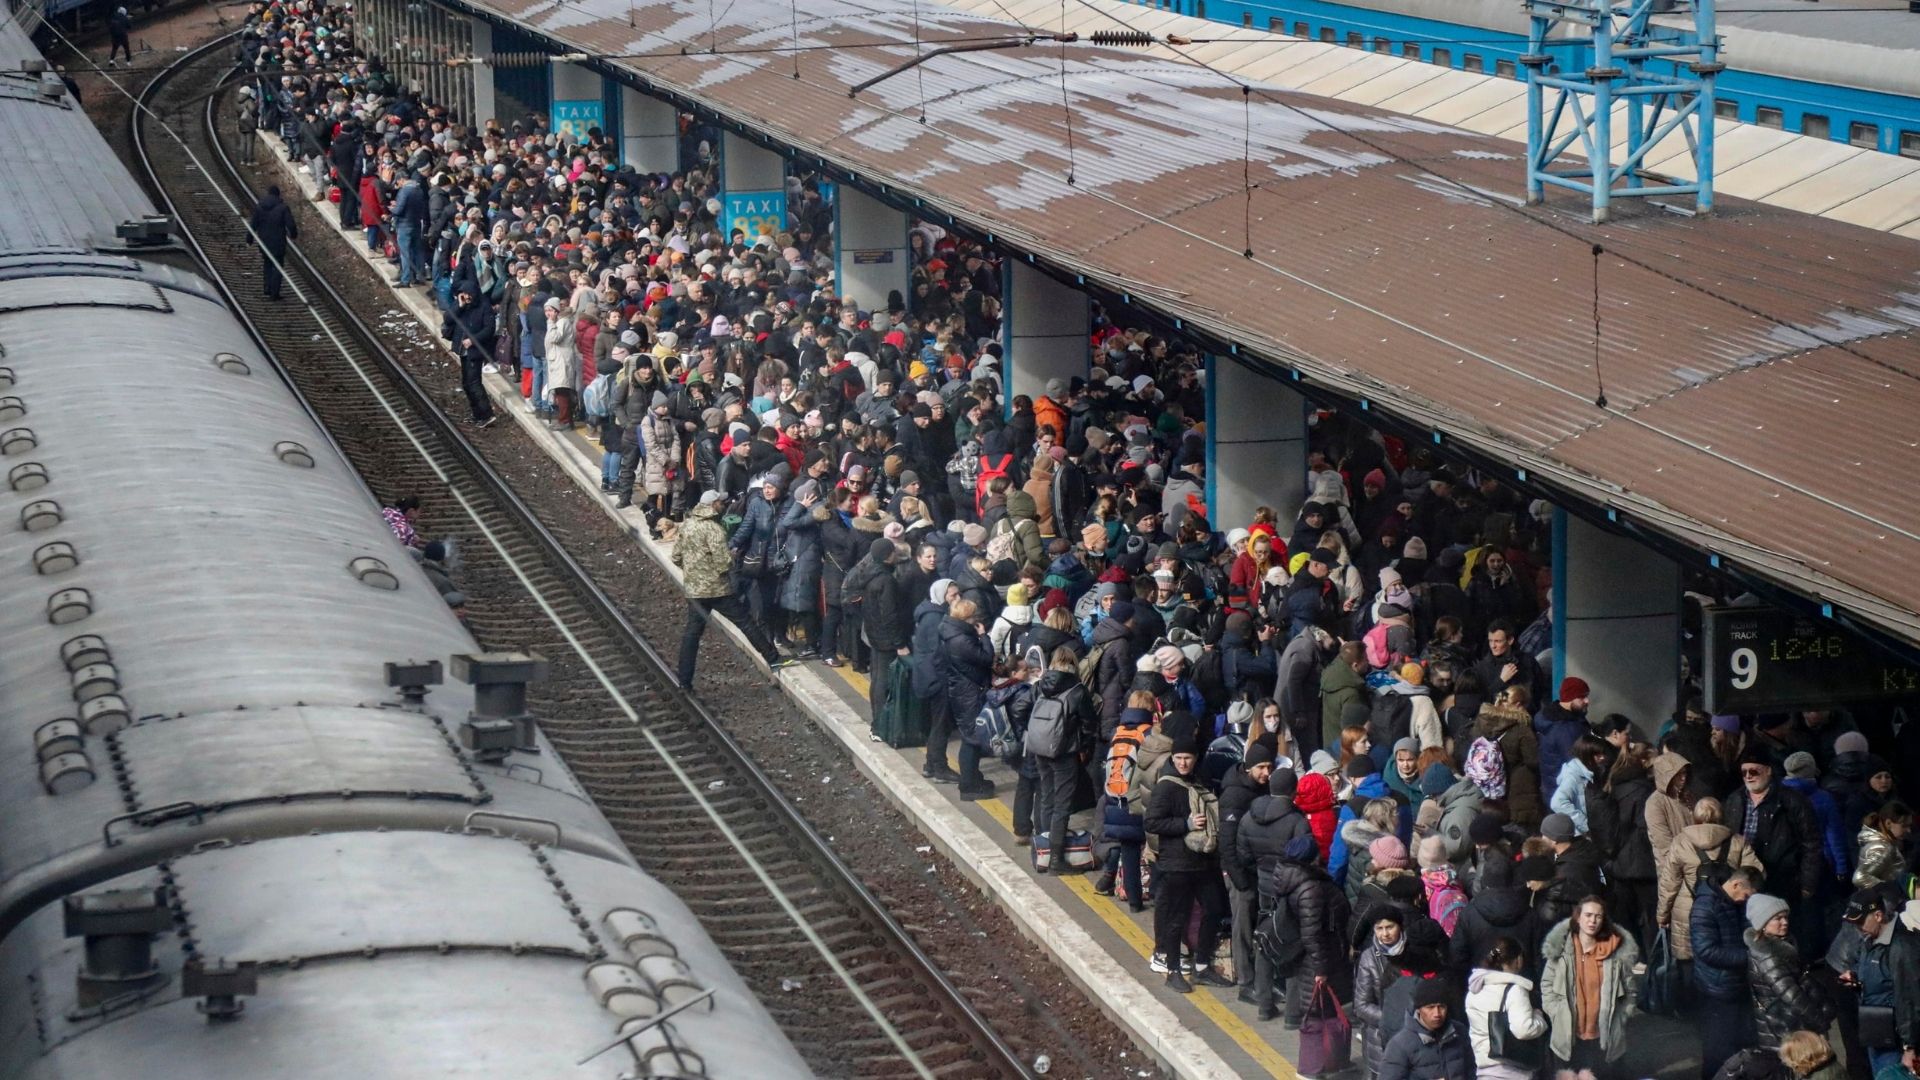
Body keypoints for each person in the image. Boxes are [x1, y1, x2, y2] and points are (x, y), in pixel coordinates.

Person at [672, 490, 793, 687]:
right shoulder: (714, 529)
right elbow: (722, 564)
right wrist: (732, 557)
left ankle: (684, 681)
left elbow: (676, 556)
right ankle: (773, 658)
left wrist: (694, 573)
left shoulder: (688, 524)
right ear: (713, 505)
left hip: (694, 590)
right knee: (746, 623)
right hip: (717, 590)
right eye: (721, 501)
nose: (724, 504)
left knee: (692, 634)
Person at [1143, 735, 1230, 992]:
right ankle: (1173, 970)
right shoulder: (1166, 787)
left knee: (1214, 909)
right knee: (1176, 919)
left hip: (1202, 862)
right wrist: (1186, 824)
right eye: (1179, 758)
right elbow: (1152, 822)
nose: (1183, 763)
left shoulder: (1196, 782)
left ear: (1195, 759)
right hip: (1177, 865)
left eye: (1187, 758)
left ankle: (1202, 966)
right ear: (1173, 758)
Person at [1539, 896, 1640, 1079]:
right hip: (1569, 1034)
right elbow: (1547, 984)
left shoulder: (1615, 951)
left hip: (1603, 1036)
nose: (1592, 921)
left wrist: (1623, 1015)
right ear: (1578, 917)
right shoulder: (1561, 949)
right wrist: (1556, 1012)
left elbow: (1630, 988)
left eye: (1598, 916)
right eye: (1588, 915)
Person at [1030, 647, 1099, 873]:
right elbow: (1089, 724)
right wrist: (1085, 747)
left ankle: (1042, 851)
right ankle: (1056, 860)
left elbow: (1023, 708)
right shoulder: (1077, 690)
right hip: (1064, 752)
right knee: (1062, 805)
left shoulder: (1041, 684)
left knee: (1046, 797)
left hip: (1040, 749)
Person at [1747, 892, 1835, 1050]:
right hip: (1786, 1029)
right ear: (1763, 924)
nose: (1785, 922)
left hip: (1790, 1024)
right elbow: (1792, 995)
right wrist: (1819, 1019)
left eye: (1786, 917)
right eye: (1777, 918)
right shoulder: (1767, 956)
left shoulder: (1782, 944)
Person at [1694, 869, 1760, 1079]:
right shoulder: (1705, 906)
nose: (1746, 900)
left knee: (1739, 1045)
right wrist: (1749, 957)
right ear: (1736, 885)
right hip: (1717, 989)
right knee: (1718, 1050)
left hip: (1736, 984)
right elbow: (1706, 950)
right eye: (1747, 895)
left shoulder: (1735, 903)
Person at [1466, 937, 1549, 1080]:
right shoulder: (1514, 990)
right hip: (1511, 1072)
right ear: (1518, 960)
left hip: (1484, 1072)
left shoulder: (1474, 991)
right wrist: (1540, 1018)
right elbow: (1523, 1029)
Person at [1379, 977, 1476, 1080]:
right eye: (1430, 1007)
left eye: (1441, 1007)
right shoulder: (1399, 1045)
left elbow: (1471, 1071)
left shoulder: (1459, 1032)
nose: (1437, 1014)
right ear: (1419, 1009)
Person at [246, 184, 298, 301]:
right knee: (278, 266)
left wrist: (249, 239)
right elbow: (290, 224)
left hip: (264, 241)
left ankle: (267, 287)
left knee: (267, 263)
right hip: (278, 242)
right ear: (278, 195)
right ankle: (275, 293)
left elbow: (253, 224)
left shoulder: (260, 207)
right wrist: (294, 234)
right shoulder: (283, 208)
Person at [235, 85, 258, 165]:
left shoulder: (238, 101)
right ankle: (250, 160)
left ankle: (243, 159)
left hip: (241, 123)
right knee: (250, 143)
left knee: (243, 143)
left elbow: (238, 111)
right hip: (249, 123)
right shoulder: (249, 100)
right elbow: (253, 110)